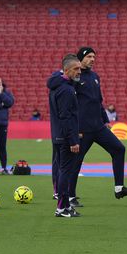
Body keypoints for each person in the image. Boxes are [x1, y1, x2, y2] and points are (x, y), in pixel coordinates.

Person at [74, 47, 127, 203]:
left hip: (98, 127)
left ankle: (119, 188)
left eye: (94, 56)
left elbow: (98, 101)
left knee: (119, 149)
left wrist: (105, 120)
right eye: (89, 56)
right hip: (83, 129)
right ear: (81, 58)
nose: (92, 59)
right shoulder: (75, 77)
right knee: (76, 161)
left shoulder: (95, 76)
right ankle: (69, 196)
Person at [48, 55, 83, 219]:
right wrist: (73, 139)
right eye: (76, 68)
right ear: (66, 70)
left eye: (79, 68)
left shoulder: (57, 86)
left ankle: (66, 206)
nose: (79, 71)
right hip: (65, 137)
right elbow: (66, 117)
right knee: (65, 172)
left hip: (57, 135)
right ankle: (61, 208)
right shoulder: (67, 90)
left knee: (63, 170)